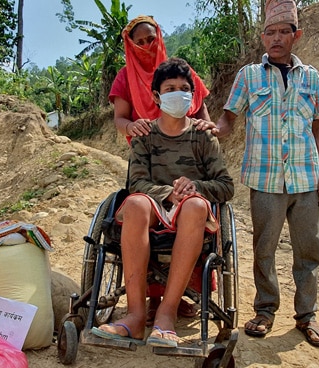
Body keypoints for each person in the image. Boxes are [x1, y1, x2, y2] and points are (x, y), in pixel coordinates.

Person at [92, 57, 234, 348]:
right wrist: (168, 193)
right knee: (134, 204)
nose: (178, 94)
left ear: (192, 97)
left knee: (195, 206)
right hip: (154, 207)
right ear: (156, 96)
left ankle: (166, 314)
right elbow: (136, 184)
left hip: (191, 211)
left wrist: (195, 186)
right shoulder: (144, 135)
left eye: (184, 88)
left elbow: (225, 185)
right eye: (170, 88)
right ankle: (134, 316)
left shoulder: (203, 136)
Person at [215, 0, 319, 347]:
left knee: (309, 251)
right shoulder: (249, 76)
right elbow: (228, 120)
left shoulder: (311, 77)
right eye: (270, 32)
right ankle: (265, 311)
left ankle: (306, 317)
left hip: (306, 178)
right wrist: (212, 127)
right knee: (264, 249)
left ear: (296, 35)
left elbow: (318, 128)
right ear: (263, 37)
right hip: (265, 179)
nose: (276, 38)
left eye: (284, 32)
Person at [109, 15, 212, 323]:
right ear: (130, 44)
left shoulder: (180, 72)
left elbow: (201, 108)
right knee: (140, 207)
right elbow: (120, 119)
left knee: (193, 209)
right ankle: (146, 305)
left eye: (150, 39)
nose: (145, 46)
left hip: (187, 150)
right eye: (138, 41)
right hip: (148, 150)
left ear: (159, 38)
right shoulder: (125, 77)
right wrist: (134, 126)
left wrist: (204, 128)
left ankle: (175, 297)